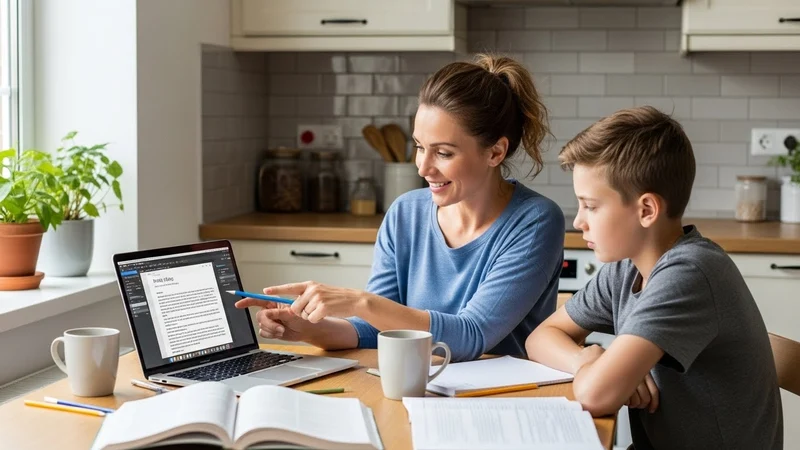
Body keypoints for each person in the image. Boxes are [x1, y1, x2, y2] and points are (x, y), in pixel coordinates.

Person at [235, 54, 565, 362]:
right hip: (421, 390)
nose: (423, 167)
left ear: (495, 152)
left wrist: (359, 302)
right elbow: (375, 330)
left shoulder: (535, 221)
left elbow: (473, 335)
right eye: (420, 147)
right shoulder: (405, 213)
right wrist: (308, 329)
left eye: (444, 153)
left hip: (504, 402)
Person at [525, 106, 783, 450]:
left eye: (591, 206)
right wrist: (587, 358)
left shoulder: (689, 273)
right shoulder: (626, 269)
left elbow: (595, 395)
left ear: (646, 210)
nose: (578, 221)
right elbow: (540, 337)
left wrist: (602, 372)